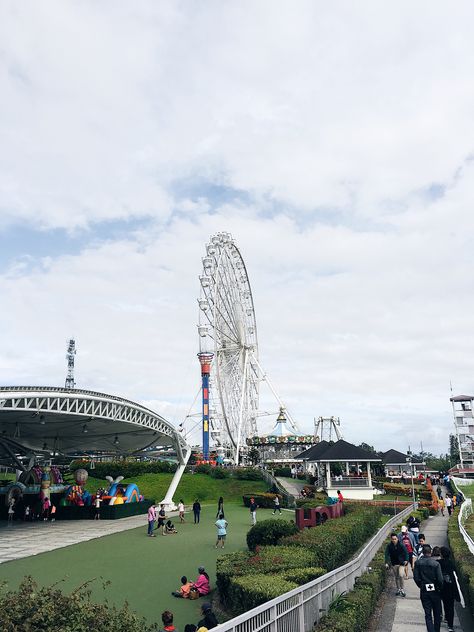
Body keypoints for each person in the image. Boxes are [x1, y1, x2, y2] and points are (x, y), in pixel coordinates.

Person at [413, 544, 443, 632]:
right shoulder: (436, 564)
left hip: (424, 590)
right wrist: (439, 588)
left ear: (423, 552)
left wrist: (421, 585)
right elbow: (440, 579)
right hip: (435, 591)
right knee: (437, 614)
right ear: (430, 552)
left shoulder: (418, 563)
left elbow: (416, 578)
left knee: (428, 614)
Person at [438, 546, 459, 632]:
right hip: (451, 587)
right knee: (450, 606)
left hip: (441, 587)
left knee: (444, 603)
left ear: (442, 554)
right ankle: (450, 625)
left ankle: (445, 617)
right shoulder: (451, 563)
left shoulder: (438, 563)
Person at [385, 532, 408, 597]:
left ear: (397, 539)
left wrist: (406, 560)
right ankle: (398, 589)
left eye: (395, 539)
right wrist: (386, 562)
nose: (394, 540)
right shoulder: (389, 546)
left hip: (401, 563)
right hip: (394, 563)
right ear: (391, 539)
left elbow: (406, 552)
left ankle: (402, 589)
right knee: (397, 577)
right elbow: (386, 554)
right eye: (393, 539)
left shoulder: (401, 545)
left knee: (401, 575)